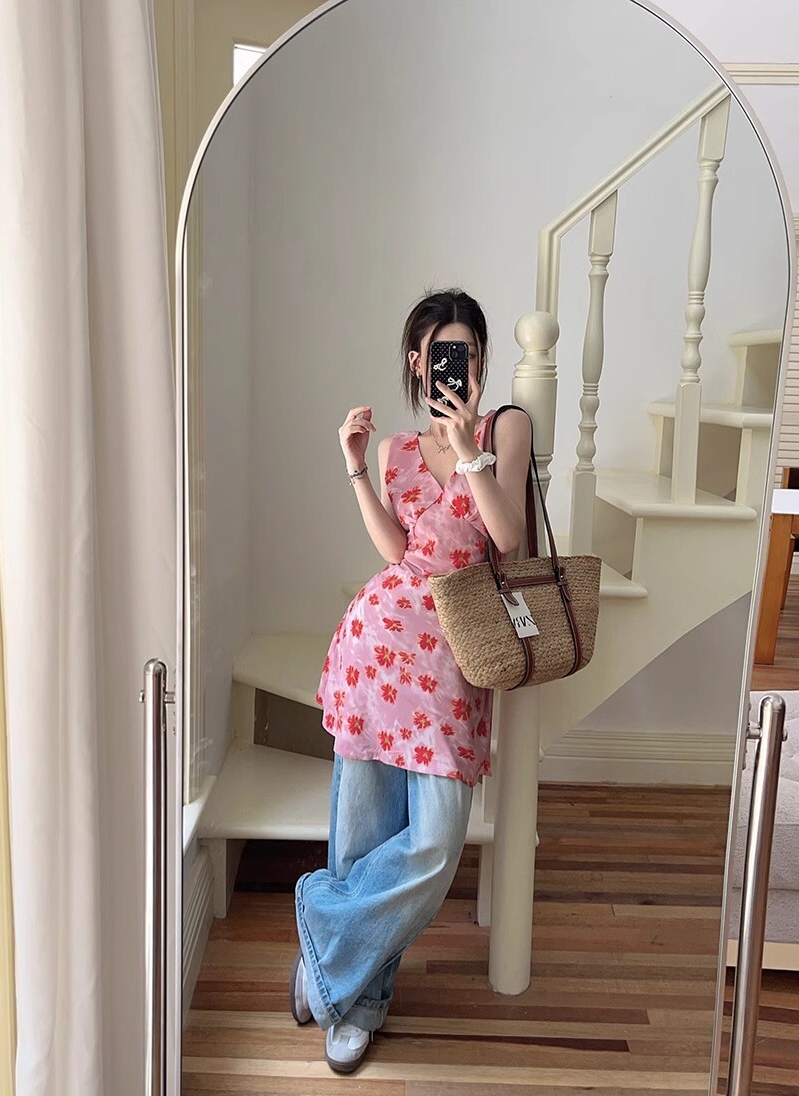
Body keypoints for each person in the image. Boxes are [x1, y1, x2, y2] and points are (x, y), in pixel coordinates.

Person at [290, 288, 532, 1073]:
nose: (454, 366)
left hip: (452, 663)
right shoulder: (396, 450)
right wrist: (356, 468)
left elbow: (507, 538)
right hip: (376, 650)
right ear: (416, 363)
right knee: (362, 834)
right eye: (440, 354)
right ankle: (356, 1002)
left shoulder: (504, 429)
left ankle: (320, 932)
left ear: (481, 362)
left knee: (431, 846)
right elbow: (398, 554)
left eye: (468, 352)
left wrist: (468, 450)